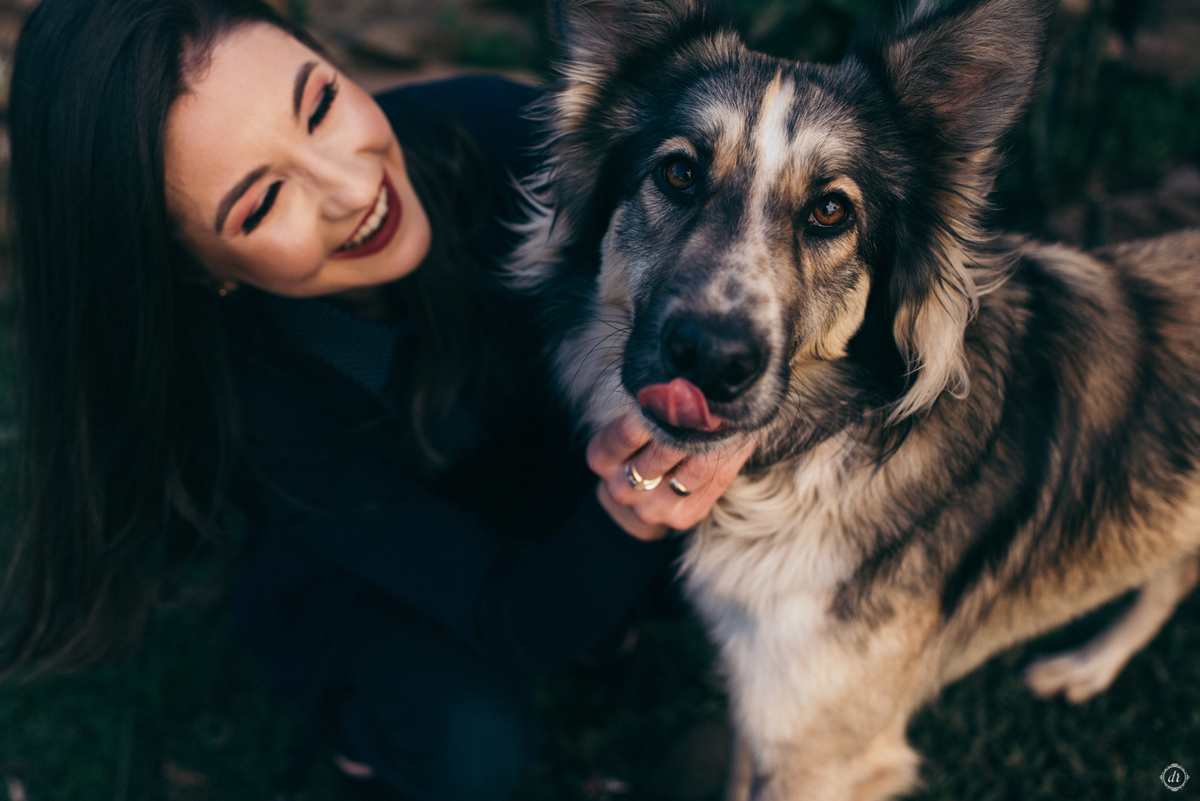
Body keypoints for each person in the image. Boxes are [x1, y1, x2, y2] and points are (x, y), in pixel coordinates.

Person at [1, 1, 756, 799]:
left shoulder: (498, 136)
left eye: (319, 104)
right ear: (196, 269)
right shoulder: (272, 401)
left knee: (704, 548)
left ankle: (610, 623)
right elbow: (510, 613)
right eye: (261, 203)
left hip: (531, 458)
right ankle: (371, 749)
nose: (353, 184)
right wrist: (631, 512)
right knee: (470, 740)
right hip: (379, 553)